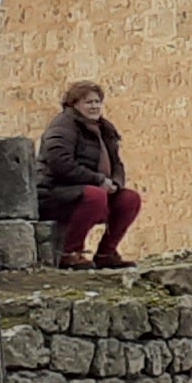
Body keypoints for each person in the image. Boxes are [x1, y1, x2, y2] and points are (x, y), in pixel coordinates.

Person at [39, 80, 141, 269]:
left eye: (97, 102)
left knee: (129, 199)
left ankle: (106, 253)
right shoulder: (63, 126)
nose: (94, 106)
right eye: (88, 102)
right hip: (55, 192)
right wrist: (97, 180)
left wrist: (115, 184)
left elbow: (117, 163)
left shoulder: (104, 129)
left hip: (95, 188)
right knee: (95, 196)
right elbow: (60, 163)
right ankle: (70, 253)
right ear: (74, 105)